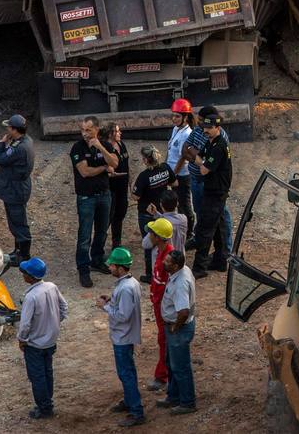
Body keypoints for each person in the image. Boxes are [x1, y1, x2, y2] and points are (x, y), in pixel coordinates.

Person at [16, 256, 68, 420]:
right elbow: (64, 307)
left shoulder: (31, 297)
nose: (23, 274)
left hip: (35, 344)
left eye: (24, 272)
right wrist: (53, 323)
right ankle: (48, 401)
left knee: (37, 376)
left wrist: (22, 339)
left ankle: (44, 408)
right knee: (47, 372)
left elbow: (25, 324)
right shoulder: (51, 287)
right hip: (50, 340)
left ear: (30, 276)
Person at [99, 247, 146, 427]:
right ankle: (129, 401)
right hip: (126, 335)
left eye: (112, 265)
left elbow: (122, 315)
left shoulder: (125, 288)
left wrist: (105, 306)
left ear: (120, 268)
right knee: (129, 371)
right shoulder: (131, 282)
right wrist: (112, 300)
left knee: (125, 373)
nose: (109, 267)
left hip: (123, 336)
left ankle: (136, 411)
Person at [72, 116, 119, 288]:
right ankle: (83, 268)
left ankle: (97, 260)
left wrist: (100, 148)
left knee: (101, 231)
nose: (85, 133)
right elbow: (85, 171)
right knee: (84, 234)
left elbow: (115, 162)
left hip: (104, 195)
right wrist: (104, 168)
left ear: (97, 129)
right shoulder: (77, 147)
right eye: (83, 130)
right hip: (86, 197)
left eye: (88, 130)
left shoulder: (105, 145)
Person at [190, 106, 233, 279]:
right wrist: (201, 160)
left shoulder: (219, 146)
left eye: (208, 128)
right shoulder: (211, 142)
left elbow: (203, 169)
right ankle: (220, 260)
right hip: (214, 190)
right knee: (219, 227)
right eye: (204, 128)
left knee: (205, 228)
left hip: (216, 192)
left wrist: (201, 161)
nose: (205, 131)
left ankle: (199, 267)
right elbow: (199, 156)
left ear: (217, 128)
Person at [158, 251, 197, 415]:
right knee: (172, 363)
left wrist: (175, 327)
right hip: (176, 327)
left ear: (175, 266)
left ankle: (187, 402)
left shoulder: (180, 283)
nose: (163, 262)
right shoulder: (182, 270)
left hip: (178, 328)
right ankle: (173, 396)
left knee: (180, 366)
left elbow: (183, 312)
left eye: (167, 261)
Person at [0, 114, 35, 260]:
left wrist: (1, 144)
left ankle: (24, 255)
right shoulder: (26, 141)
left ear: (14, 129)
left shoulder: (19, 147)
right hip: (17, 188)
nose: (7, 130)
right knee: (15, 222)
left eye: (9, 127)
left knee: (18, 223)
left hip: (15, 190)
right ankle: (18, 251)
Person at [142, 218, 176, 392]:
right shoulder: (160, 252)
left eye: (152, 233)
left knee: (164, 340)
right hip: (159, 305)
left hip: (164, 308)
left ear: (159, 237)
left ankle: (163, 376)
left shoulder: (168, 258)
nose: (149, 235)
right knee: (163, 339)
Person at [134, 146, 175, 283]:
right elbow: (174, 182)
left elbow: (135, 196)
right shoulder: (165, 168)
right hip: (162, 211)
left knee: (148, 243)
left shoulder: (144, 176)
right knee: (163, 241)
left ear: (146, 160)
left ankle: (150, 274)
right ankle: (164, 268)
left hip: (147, 213)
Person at [165, 101, 197, 241]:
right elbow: (170, 150)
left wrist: (174, 176)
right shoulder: (175, 129)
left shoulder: (187, 134)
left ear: (185, 117)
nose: (174, 119)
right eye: (173, 116)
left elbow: (182, 158)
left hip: (181, 175)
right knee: (177, 203)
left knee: (185, 204)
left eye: (177, 116)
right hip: (172, 172)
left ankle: (189, 234)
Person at [104, 123, 131, 250]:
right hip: (111, 188)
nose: (120, 133)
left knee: (120, 214)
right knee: (108, 217)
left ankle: (116, 243)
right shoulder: (105, 148)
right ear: (110, 134)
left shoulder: (122, 145)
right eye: (117, 131)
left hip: (122, 187)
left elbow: (126, 164)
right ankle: (100, 245)